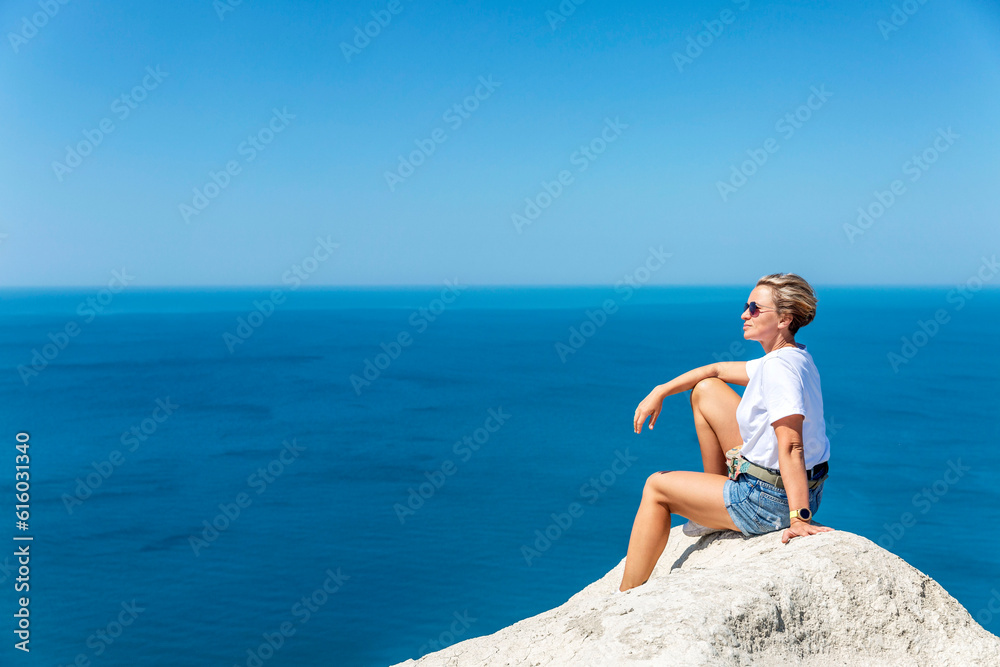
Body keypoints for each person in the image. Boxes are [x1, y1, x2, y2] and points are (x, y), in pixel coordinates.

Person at [618, 273, 834, 592]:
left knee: (655, 487)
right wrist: (660, 390)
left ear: (785, 319)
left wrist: (799, 517)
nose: (744, 314)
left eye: (755, 309)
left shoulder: (778, 370)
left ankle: (625, 596)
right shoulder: (792, 355)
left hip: (767, 500)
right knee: (706, 390)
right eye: (746, 306)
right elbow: (715, 370)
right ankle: (716, 500)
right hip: (792, 486)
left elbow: (790, 445)